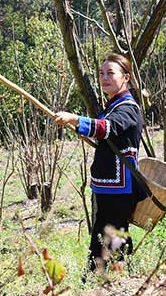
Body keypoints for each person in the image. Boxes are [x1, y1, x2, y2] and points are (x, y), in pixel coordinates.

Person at [54, 53, 146, 272]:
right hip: (109, 187)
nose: (104, 78)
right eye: (101, 73)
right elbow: (105, 132)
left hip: (120, 187)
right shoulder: (114, 104)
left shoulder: (128, 108)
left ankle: (103, 282)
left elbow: (108, 128)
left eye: (110, 73)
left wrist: (75, 119)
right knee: (110, 235)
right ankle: (119, 277)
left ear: (126, 77)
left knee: (108, 238)